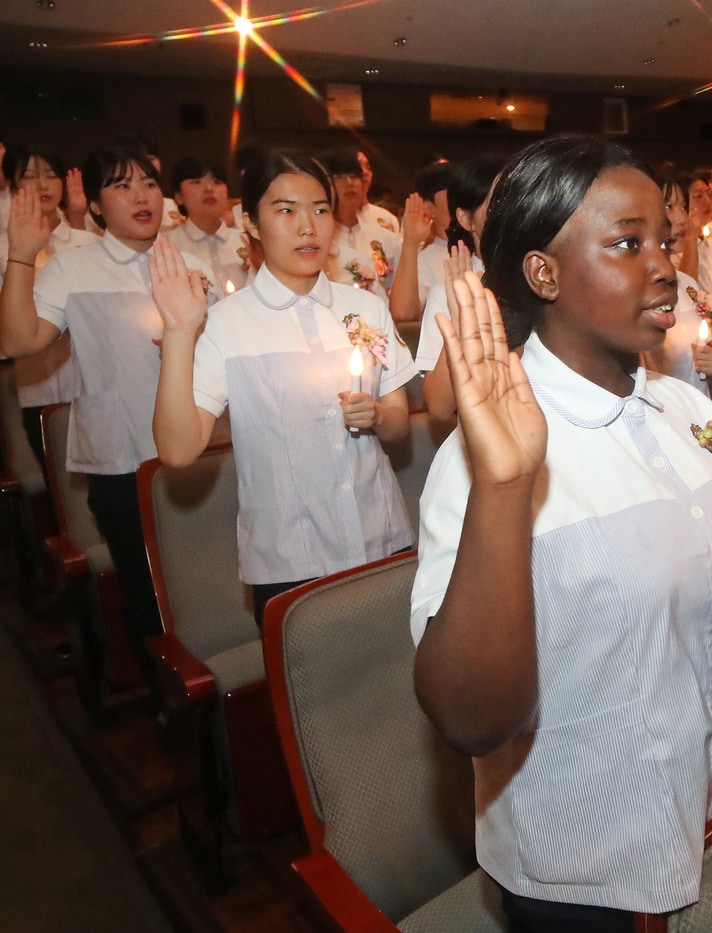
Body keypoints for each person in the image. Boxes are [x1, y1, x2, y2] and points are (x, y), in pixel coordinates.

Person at [411, 134, 712, 930]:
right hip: (599, 863)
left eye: (663, 237)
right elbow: (472, 719)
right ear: (544, 272)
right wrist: (505, 485)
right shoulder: (487, 459)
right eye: (628, 243)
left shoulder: (687, 408)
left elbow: (684, 566)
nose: (663, 264)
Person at [149, 151, 416, 624]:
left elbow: (399, 426)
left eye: (319, 209)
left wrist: (377, 415)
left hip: (382, 538)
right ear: (250, 222)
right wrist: (177, 332)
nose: (308, 227)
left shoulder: (366, 308)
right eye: (286, 211)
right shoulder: (224, 324)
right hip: (290, 558)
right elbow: (177, 449)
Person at [0, 143, 216, 684]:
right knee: (146, 588)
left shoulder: (189, 263)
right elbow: (19, 340)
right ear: (94, 206)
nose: (141, 196)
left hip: (197, 449)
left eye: (147, 182)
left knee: (204, 581)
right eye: (121, 186)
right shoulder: (74, 267)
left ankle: (210, 684)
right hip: (124, 458)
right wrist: (22, 254)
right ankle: (167, 700)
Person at [0, 143, 100, 462]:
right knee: (62, 500)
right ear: (14, 187)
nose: (43, 184)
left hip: (95, 388)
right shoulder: (5, 248)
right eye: (29, 176)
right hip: (39, 392)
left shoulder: (90, 243)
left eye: (51, 175)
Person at [415, 157, 502, 418]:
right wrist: (465, 315)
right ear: (466, 218)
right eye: (495, 205)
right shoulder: (447, 292)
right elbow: (440, 407)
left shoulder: (548, 278)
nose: (510, 214)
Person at [639, 168, 712, 397]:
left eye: (683, 206)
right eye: (669, 207)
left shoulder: (686, 282)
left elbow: (696, 351)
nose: (683, 218)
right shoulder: (640, 289)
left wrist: (708, 360)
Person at [323, 147, 401, 303]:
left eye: (354, 176)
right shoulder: (320, 241)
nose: (349, 183)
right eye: (339, 176)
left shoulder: (386, 238)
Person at [165, 156, 248, 293]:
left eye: (217, 181)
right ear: (178, 196)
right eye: (196, 182)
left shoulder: (246, 242)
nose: (209, 188)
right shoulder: (168, 246)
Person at [388, 160, 456, 325]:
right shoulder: (425, 260)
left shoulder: (489, 252)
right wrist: (411, 242)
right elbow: (403, 314)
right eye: (453, 198)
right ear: (428, 208)